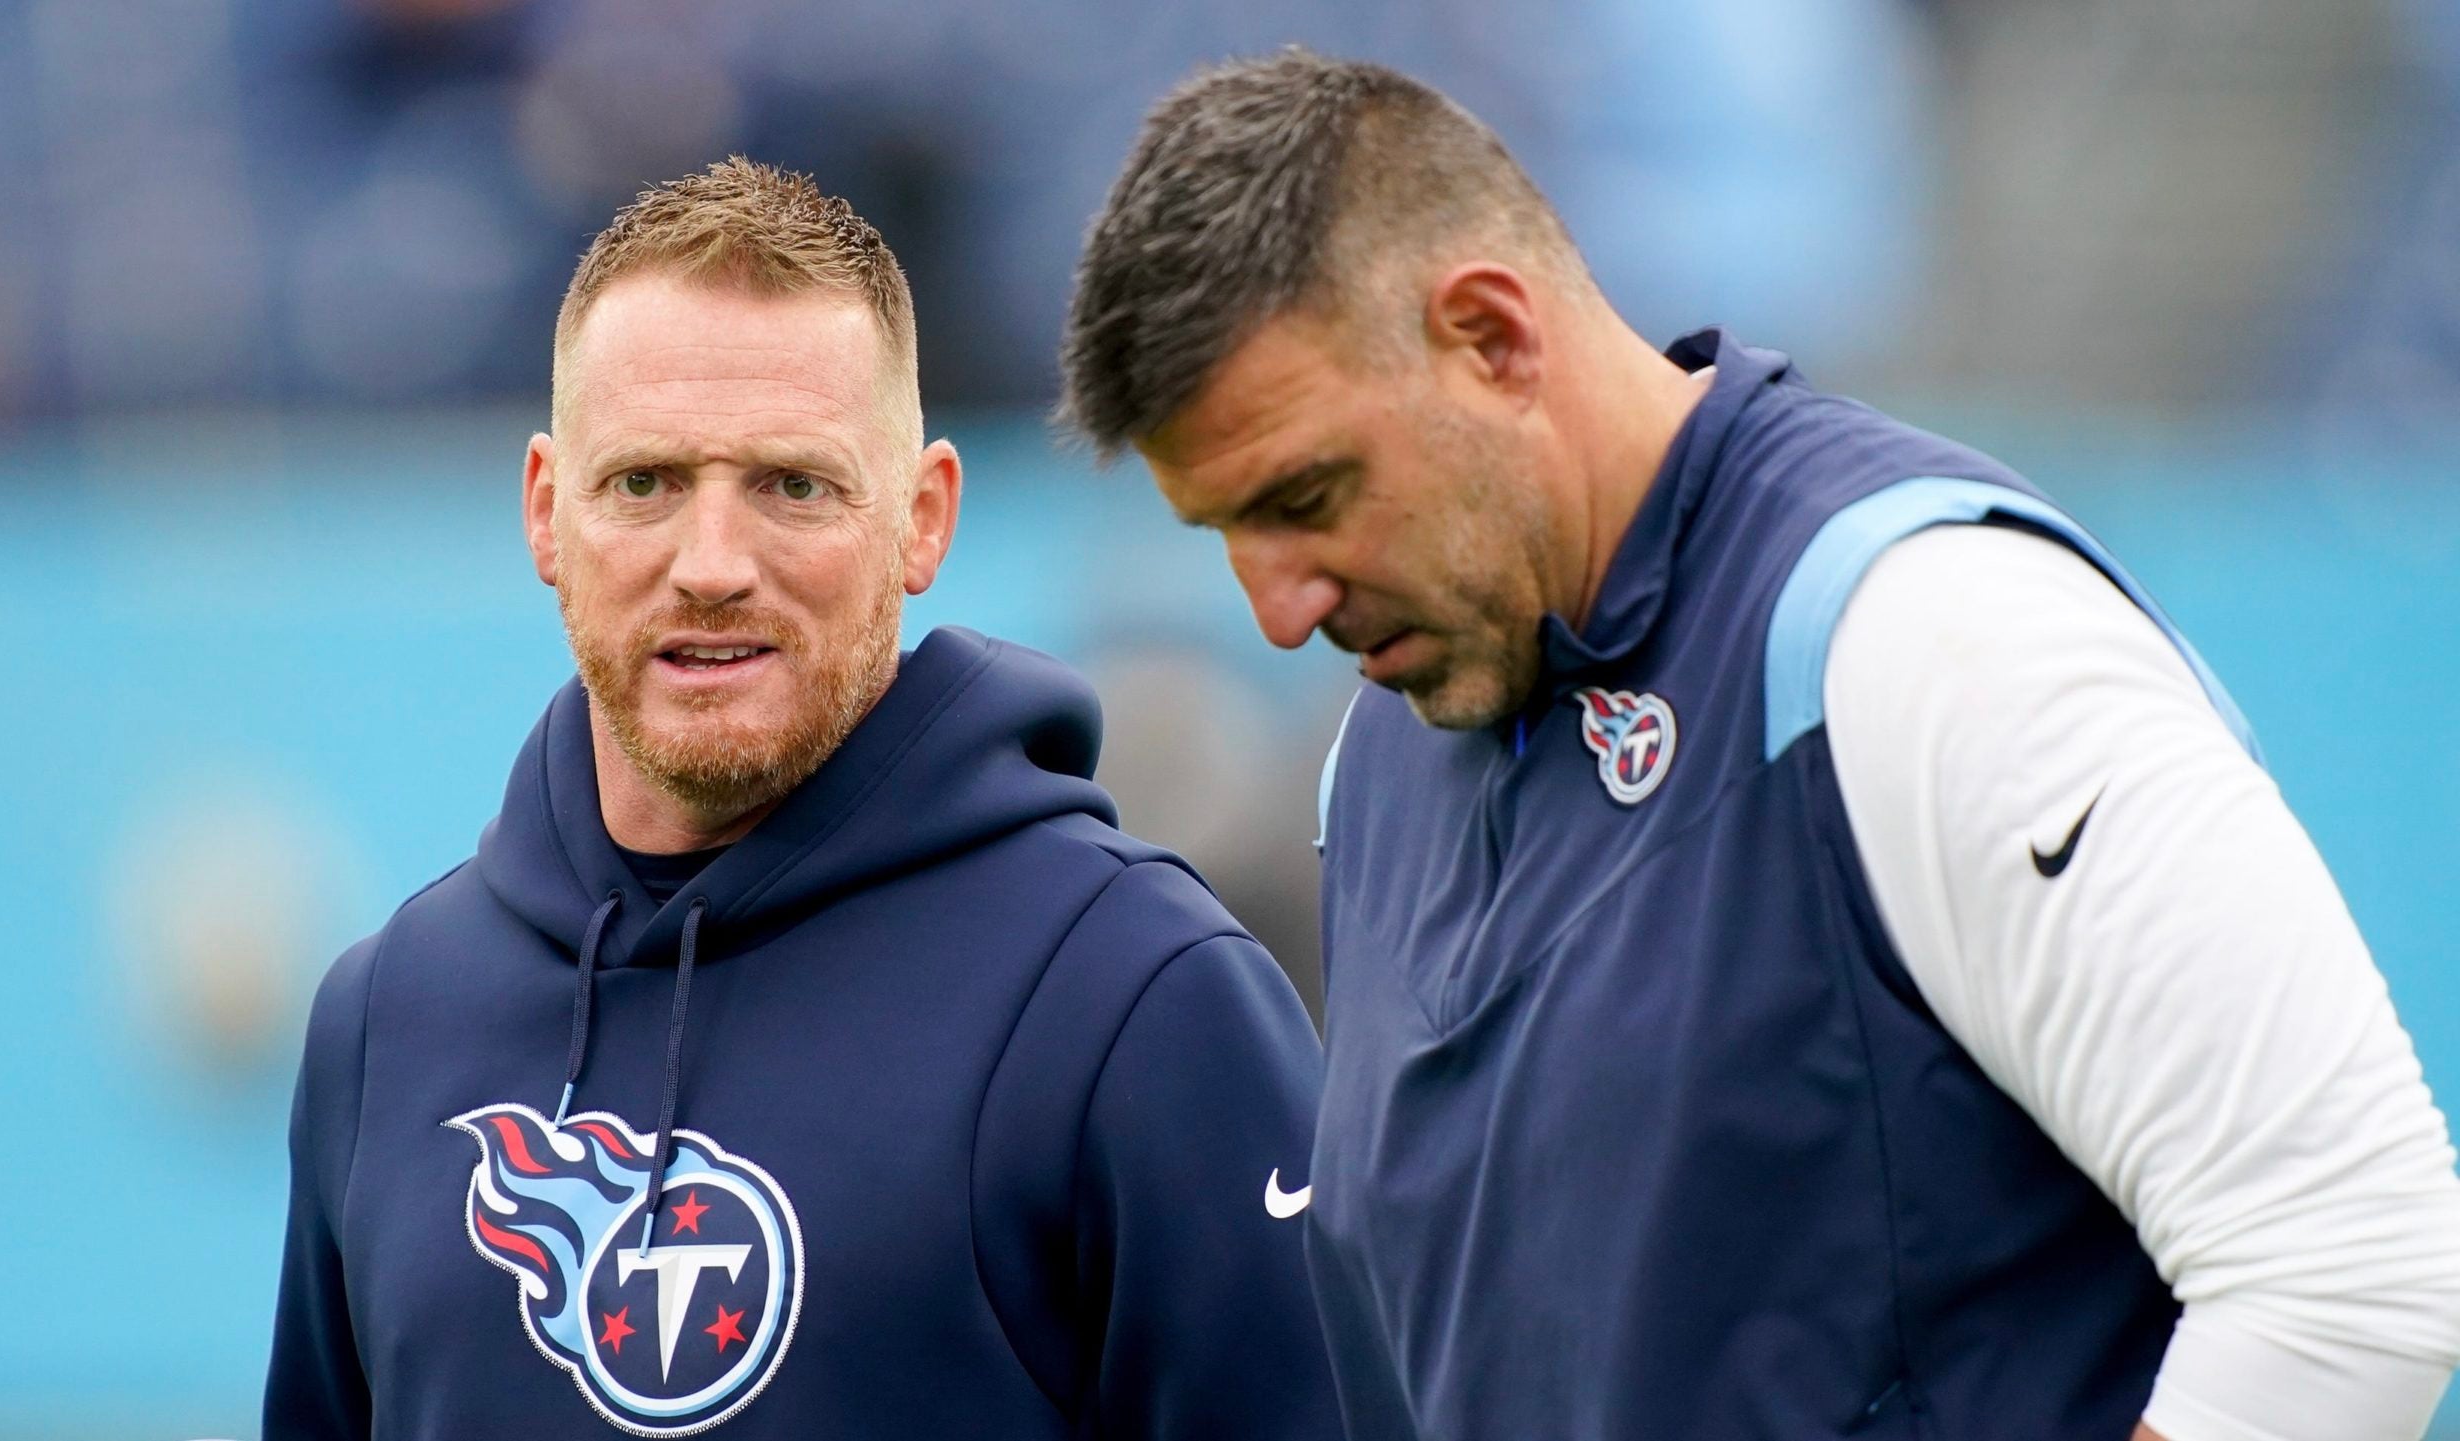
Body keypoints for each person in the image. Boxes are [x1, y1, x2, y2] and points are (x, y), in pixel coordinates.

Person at [1058, 50, 2460, 1441]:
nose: (1277, 605)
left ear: (1492, 335)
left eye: (1311, 493)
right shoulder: (1376, 760)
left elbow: (2347, 1266)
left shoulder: (1927, 636)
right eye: (1225, 531)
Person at [264, 158, 1343, 1441]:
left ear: (921, 519)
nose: (712, 567)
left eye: (793, 485)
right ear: (549, 512)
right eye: (645, 483)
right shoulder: (386, 1022)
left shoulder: (1138, 995)